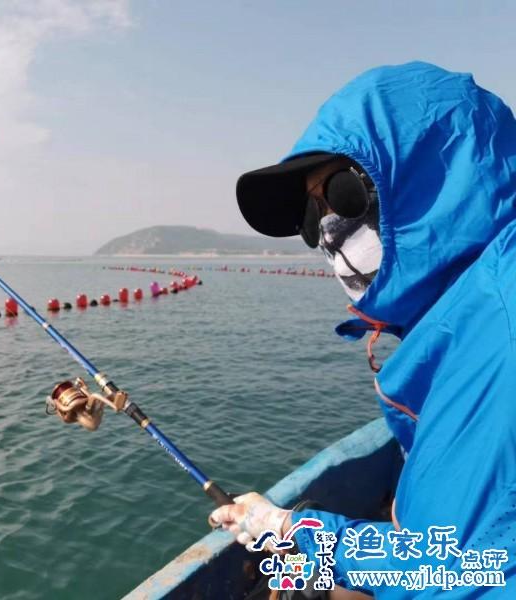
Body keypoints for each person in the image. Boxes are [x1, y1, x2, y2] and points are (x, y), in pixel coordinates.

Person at [209, 61, 516, 597]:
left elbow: (469, 574)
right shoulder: (462, 320)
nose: (328, 232)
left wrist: (297, 534)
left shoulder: (504, 328)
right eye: (311, 219)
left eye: (345, 192)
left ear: (434, 172)